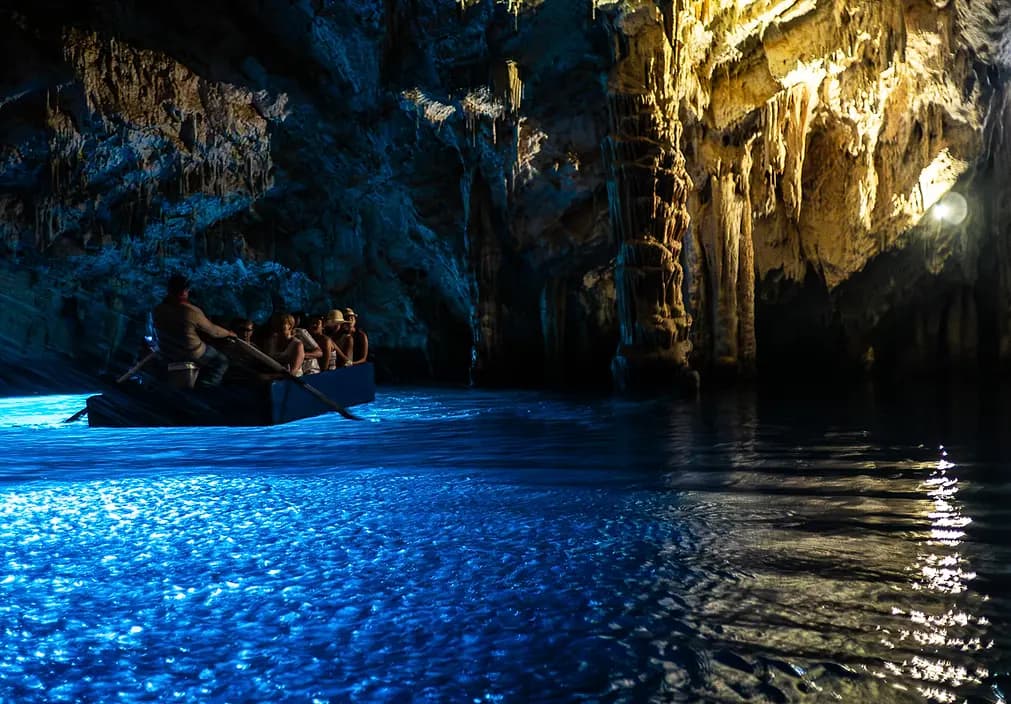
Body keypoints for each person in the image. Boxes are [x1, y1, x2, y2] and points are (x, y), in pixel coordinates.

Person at [152, 274, 233, 387]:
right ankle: (206, 387)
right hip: (191, 353)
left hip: (168, 350)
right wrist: (228, 333)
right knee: (221, 361)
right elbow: (215, 332)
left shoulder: (158, 309)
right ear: (185, 291)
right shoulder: (191, 312)